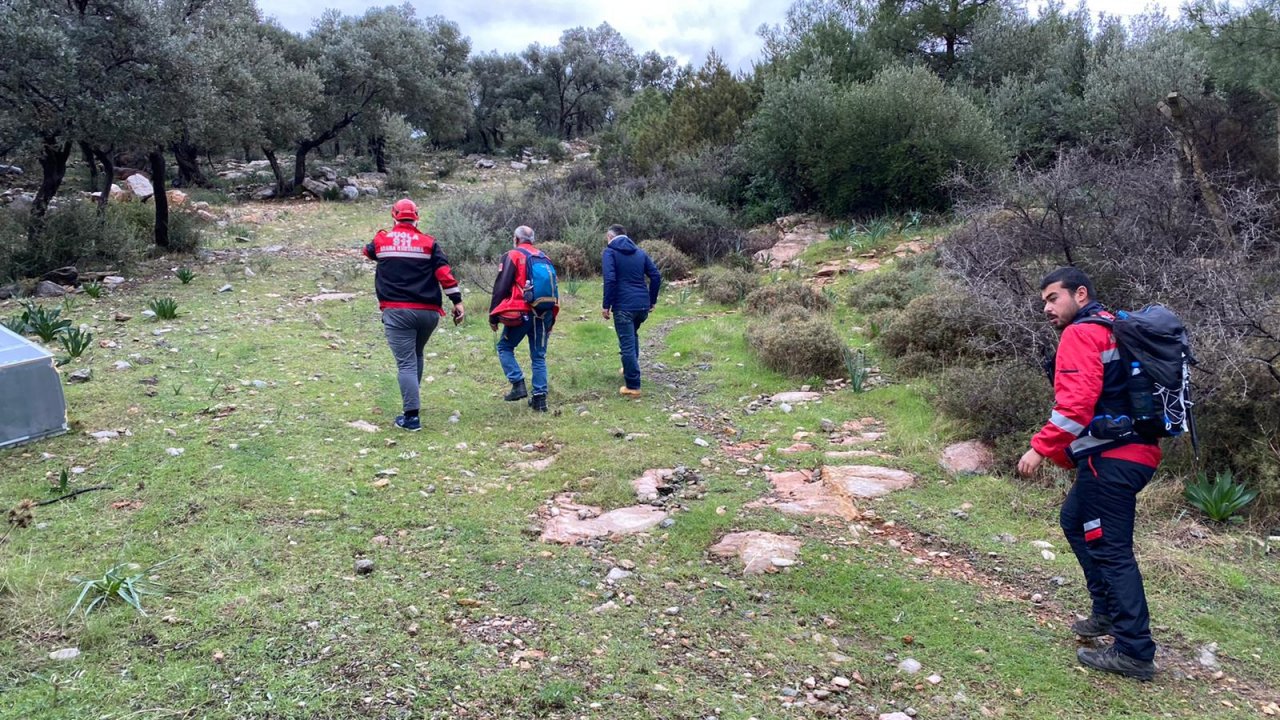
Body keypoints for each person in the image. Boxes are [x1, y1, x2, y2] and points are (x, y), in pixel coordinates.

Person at [1017, 267, 1162, 681]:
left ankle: (1134, 651)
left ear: (1080, 294)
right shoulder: (1115, 326)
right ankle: (1105, 613)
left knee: (1113, 550)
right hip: (1134, 452)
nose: (1046, 307)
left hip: (1112, 458)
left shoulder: (1081, 334)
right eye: (1043, 301)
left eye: (1052, 298)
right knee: (1074, 520)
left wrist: (1039, 448)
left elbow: (1075, 406)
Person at [363, 198, 464, 432]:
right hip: (428, 314)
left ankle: (411, 418)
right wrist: (457, 301)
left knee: (406, 363)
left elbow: (367, 252)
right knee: (416, 355)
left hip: (397, 312)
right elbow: (444, 275)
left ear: (394, 215)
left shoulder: (382, 240)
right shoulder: (429, 243)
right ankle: (413, 402)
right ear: (417, 215)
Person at [489, 225, 558, 412]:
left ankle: (518, 383)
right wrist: (552, 320)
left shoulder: (513, 255)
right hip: (544, 313)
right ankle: (539, 400)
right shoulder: (544, 258)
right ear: (532, 239)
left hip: (521, 313)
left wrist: (493, 315)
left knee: (504, 347)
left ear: (515, 238)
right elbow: (554, 291)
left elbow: (501, 287)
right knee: (538, 357)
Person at [601, 224, 661, 397]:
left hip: (624, 306)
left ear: (609, 236)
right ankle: (629, 368)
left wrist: (606, 305)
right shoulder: (640, 252)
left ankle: (633, 386)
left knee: (626, 343)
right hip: (642, 305)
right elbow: (656, 276)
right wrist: (652, 300)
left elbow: (610, 279)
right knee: (632, 335)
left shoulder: (610, 253)